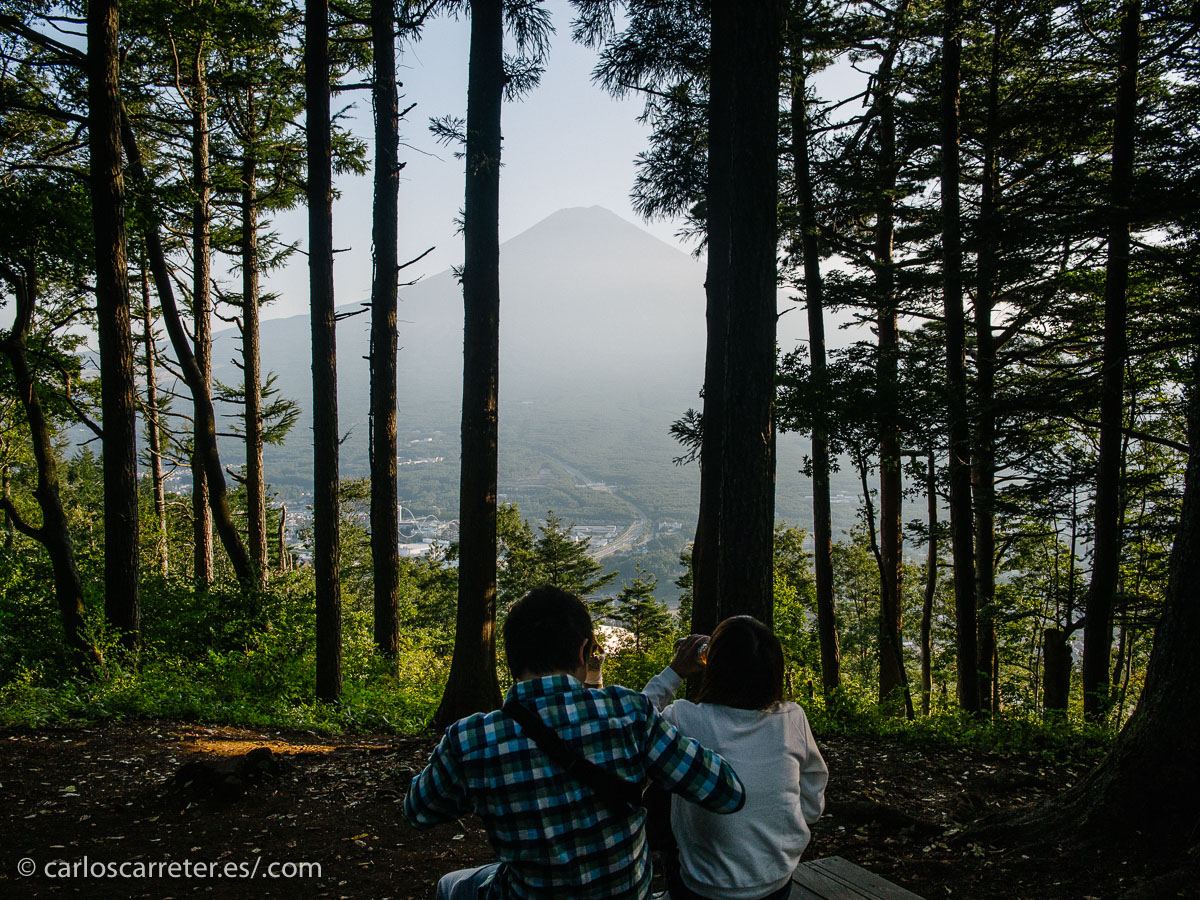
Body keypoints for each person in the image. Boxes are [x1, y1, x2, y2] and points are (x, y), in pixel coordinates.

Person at [404, 586, 747, 899]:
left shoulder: (471, 740)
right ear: (584, 650)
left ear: (511, 657)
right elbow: (727, 792)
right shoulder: (629, 714)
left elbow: (418, 811)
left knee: (451, 886)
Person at [643, 616, 829, 900]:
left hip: (701, 887)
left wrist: (675, 671)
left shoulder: (684, 717)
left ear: (715, 668)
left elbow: (630, 724)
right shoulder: (792, 718)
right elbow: (814, 796)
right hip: (776, 882)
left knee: (664, 788)